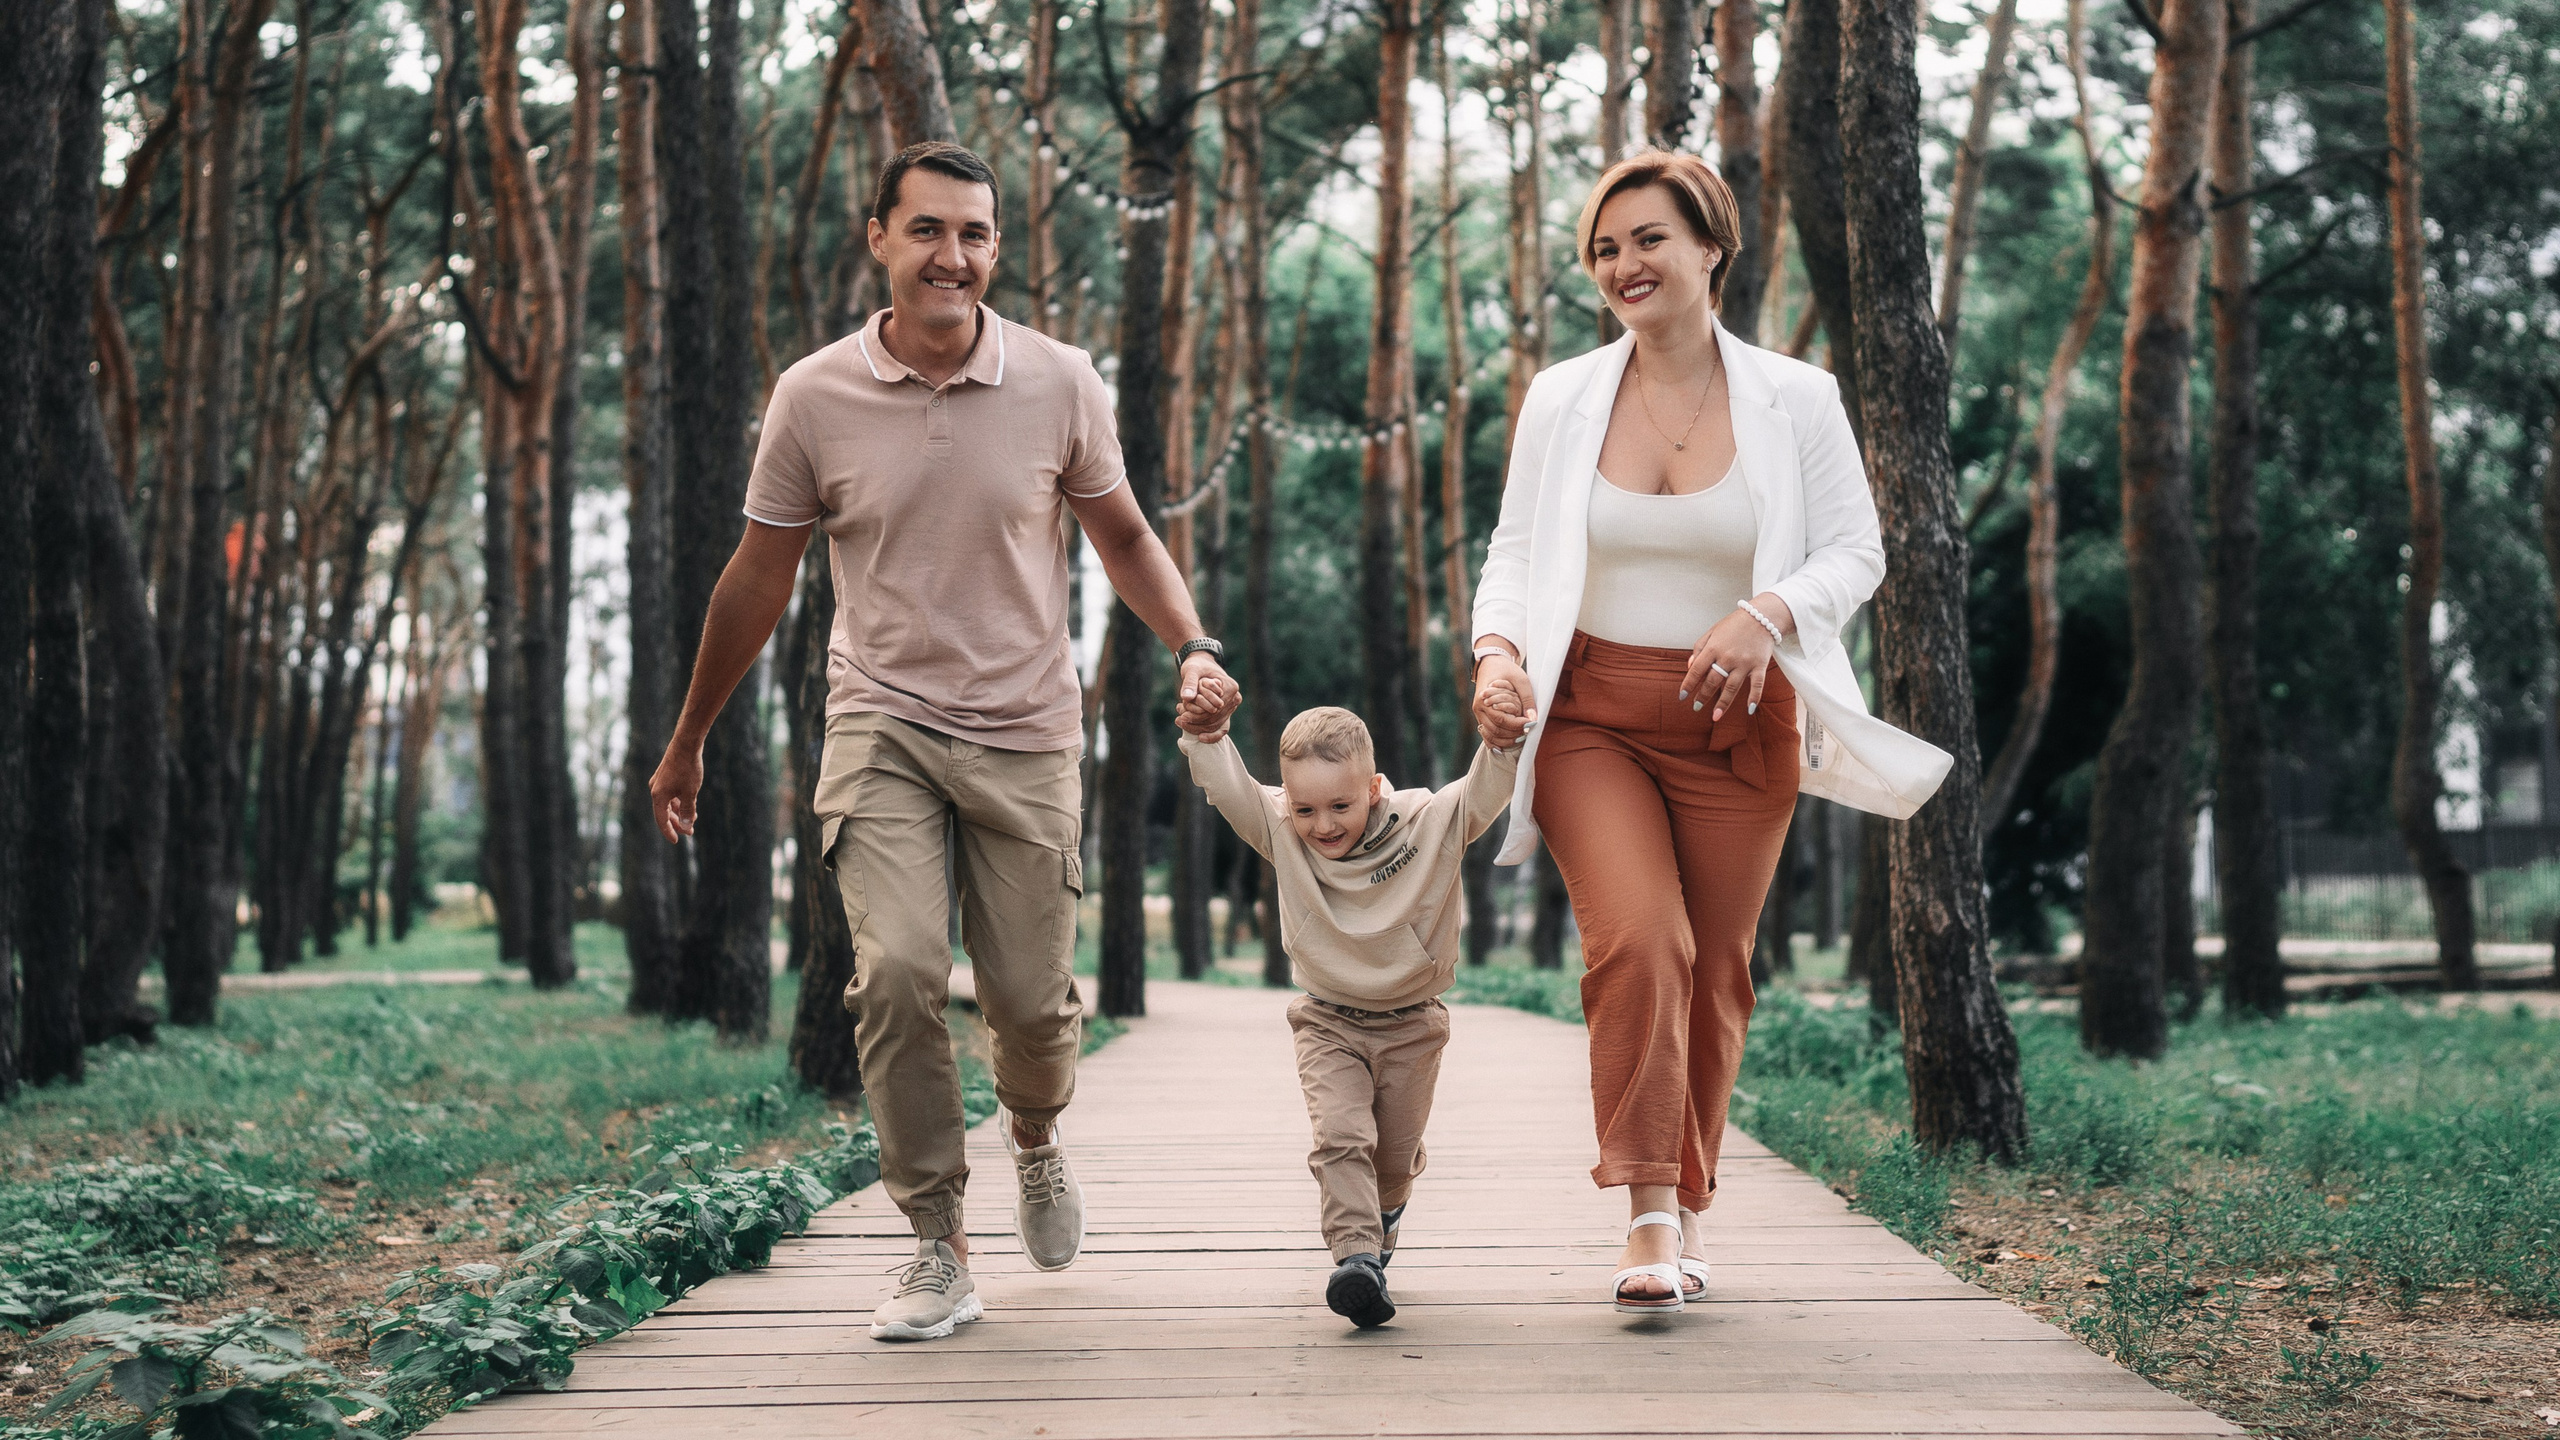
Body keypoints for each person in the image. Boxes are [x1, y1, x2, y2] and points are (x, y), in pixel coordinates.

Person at [649, 140, 1242, 1343]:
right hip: (881, 723)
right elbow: (757, 578)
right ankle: (935, 1243)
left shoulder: (1060, 380)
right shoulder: (813, 397)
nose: (952, 257)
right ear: (879, 239)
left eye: (973, 234)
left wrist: (1190, 644)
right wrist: (688, 739)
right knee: (901, 974)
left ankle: (1032, 1132)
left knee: (1029, 1007)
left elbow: (1124, 536)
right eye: (926, 230)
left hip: (1027, 729)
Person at [1467, 150, 1951, 1315]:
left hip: (1741, 726)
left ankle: (1686, 1207)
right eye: (1603, 248)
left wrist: (1765, 612)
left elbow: (1858, 550)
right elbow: (1518, 553)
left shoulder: (1797, 397)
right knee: (1643, 944)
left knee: (1718, 970)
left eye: (1646, 240)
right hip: (1591, 717)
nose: (1623, 265)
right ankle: (1643, 1211)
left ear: (1710, 250)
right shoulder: (1562, 397)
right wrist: (1495, 655)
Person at [1174, 702, 1518, 1328]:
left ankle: (1382, 1222)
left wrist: (1500, 743)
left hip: (1414, 1021)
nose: (1322, 825)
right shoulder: (1281, 826)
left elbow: (1482, 793)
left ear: (1373, 786)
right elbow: (1231, 788)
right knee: (1341, 1137)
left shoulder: (1426, 821)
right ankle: (1356, 1259)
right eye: (1304, 808)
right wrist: (1207, 736)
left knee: (1393, 1157)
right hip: (1327, 1018)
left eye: (1339, 806)